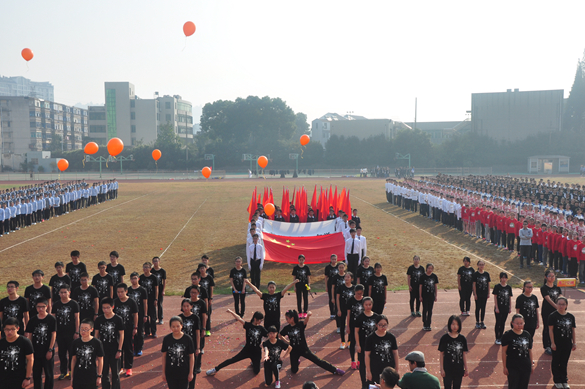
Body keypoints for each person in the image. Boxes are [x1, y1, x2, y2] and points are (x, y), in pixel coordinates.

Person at [279, 310, 345, 376]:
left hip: (304, 349)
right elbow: (280, 335)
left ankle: (335, 370)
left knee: (318, 360)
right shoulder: (287, 328)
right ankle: (296, 362)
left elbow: (305, 322)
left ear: (292, 318)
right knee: (294, 370)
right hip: (294, 351)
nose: (286, 320)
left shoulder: (300, 325)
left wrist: (308, 315)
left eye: (287, 318)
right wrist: (287, 341)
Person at [206, 310, 267, 376]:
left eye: (261, 320)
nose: (261, 322)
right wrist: (231, 312)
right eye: (260, 320)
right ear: (255, 319)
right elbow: (239, 319)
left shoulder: (261, 328)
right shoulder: (248, 325)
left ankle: (253, 362)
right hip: (247, 350)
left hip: (256, 352)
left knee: (256, 371)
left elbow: (268, 336)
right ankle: (215, 369)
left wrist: (263, 342)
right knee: (232, 360)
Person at [25, 297, 56, 389]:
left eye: (43, 306)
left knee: (49, 374)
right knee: (36, 374)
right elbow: (30, 335)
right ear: (36, 307)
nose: (40, 309)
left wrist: (50, 349)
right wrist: (30, 350)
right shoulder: (32, 320)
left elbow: (53, 335)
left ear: (47, 306)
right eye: (38, 307)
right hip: (35, 351)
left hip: (47, 350)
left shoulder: (51, 319)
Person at [94, 298, 124, 389]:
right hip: (103, 351)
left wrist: (119, 350)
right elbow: (96, 335)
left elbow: (122, 335)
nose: (105, 310)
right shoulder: (99, 319)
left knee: (115, 373)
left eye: (108, 308)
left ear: (112, 307)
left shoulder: (118, 319)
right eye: (103, 308)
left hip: (115, 349)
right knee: (104, 373)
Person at [51, 285, 79, 381]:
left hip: (71, 333)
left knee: (72, 353)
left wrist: (77, 331)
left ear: (69, 292)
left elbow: (77, 318)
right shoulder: (56, 305)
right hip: (60, 333)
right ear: (59, 293)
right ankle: (63, 372)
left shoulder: (74, 304)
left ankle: (72, 371)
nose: (63, 294)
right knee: (62, 354)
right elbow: (53, 319)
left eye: (65, 292)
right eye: (61, 292)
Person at [548, 296, 577, 388]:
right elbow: (550, 330)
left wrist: (574, 342)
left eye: (563, 304)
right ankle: (557, 380)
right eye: (559, 304)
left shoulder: (570, 316)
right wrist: (552, 343)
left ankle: (564, 380)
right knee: (556, 362)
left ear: (566, 305)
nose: (561, 306)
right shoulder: (552, 316)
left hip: (567, 343)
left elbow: (573, 330)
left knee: (564, 362)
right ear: (556, 304)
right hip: (557, 343)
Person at [161, 316, 195, 389]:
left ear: (182, 326)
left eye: (178, 326)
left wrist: (191, 373)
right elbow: (164, 356)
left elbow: (191, 356)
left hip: (184, 372)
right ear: (170, 327)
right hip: (170, 372)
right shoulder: (167, 339)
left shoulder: (188, 339)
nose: (175, 328)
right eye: (173, 326)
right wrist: (163, 372)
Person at [501, 314, 534, 389]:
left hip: (525, 365)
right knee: (513, 386)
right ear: (512, 323)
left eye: (521, 323)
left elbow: (529, 350)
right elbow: (503, 352)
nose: (519, 325)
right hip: (513, 366)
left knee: (524, 386)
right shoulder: (507, 335)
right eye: (517, 323)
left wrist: (531, 364)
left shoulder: (527, 335)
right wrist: (504, 367)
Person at [0, 317, 34, 389]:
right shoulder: (1, 343)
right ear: (4, 330)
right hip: (3, 379)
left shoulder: (25, 342)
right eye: (7, 329)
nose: (9, 332)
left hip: (19, 379)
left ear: (18, 329)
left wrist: (27, 378)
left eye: (12, 329)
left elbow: (30, 360)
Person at [365, 315, 399, 386]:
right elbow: (367, 355)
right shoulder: (370, 338)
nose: (383, 327)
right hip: (375, 368)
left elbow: (395, 353)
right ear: (376, 325)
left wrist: (397, 368)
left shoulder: (391, 337)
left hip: (389, 368)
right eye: (381, 325)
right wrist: (368, 371)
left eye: (385, 325)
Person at [113, 283, 138, 377]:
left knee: (128, 348)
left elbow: (135, 315)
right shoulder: (115, 302)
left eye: (122, 292)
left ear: (126, 291)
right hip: (117, 330)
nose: (120, 294)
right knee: (118, 348)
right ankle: (120, 367)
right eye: (118, 292)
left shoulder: (131, 302)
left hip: (128, 328)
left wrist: (135, 327)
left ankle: (128, 368)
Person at [71, 319, 104, 389]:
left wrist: (99, 376)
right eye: (81, 329)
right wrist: (72, 377)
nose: (83, 331)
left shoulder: (97, 343)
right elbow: (74, 359)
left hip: (91, 376)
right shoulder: (75, 343)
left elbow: (100, 360)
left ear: (92, 329)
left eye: (86, 329)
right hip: (78, 376)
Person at [355, 296, 380, 388]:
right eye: (366, 305)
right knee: (362, 365)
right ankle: (363, 383)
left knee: (373, 363)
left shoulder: (377, 317)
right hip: (363, 344)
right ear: (363, 305)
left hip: (373, 345)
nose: (368, 306)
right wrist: (357, 345)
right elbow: (356, 331)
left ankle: (373, 383)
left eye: (370, 304)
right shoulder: (359, 317)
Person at [438, 315, 468, 389]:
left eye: (457, 324)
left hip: (458, 369)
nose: (455, 326)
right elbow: (441, 354)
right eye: (453, 324)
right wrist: (442, 369)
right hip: (447, 369)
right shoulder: (444, 338)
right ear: (449, 325)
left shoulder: (462, 339)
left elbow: (464, 354)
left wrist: (466, 369)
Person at [178, 299, 201, 389]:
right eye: (184, 306)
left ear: (191, 306)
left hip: (192, 345)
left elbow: (198, 333)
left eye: (188, 306)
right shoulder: (179, 318)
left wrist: (198, 347)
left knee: (192, 368)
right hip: (182, 346)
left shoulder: (195, 318)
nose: (186, 308)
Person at [541, 269, 562, 355]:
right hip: (547, 311)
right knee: (547, 328)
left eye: (553, 276)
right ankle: (547, 346)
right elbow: (548, 299)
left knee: (556, 328)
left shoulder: (557, 287)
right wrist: (557, 307)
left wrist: (562, 305)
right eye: (550, 276)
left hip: (556, 311)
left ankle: (554, 344)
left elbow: (560, 297)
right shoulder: (544, 288)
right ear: (546, 277)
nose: (552, 278)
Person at [128, 272, 147, 356]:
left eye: (135, 278)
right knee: (131, 331)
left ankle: (139, 348)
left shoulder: (142, 290)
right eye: (132, 278)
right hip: (130, 314)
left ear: (138, 279)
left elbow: (145, 303)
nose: (133, 280)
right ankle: (133, 347)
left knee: (139, 331)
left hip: (140, 313)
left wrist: (145, 315)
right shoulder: (128, 290)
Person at [347, 284, 365, 369]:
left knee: (360, 343)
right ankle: (353, 360)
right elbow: (348, 314)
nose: (359, 295)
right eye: (358, 293)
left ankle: (359, 360)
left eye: (361, 293)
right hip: (353, 324)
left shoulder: (364, 300)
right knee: (353, 343)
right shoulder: (351, 300)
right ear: (355, 292)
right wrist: (348, 326)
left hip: (362, 325)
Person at [139, 262, 159, 338]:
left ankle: (153, 332)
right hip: (144, 300)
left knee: (153, 316)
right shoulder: (141, 278)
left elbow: (156, 288)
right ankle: (147, 331)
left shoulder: (154, 277)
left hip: (151, 299)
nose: (145, 269)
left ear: (150, 268)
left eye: (147, 267)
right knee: (145, 315)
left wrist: (156, 298)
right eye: (144, 267)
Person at [336, 271, 356, 348]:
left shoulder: (354, 288)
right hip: (343, 309)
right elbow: (337, 298)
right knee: (342, 325)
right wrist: (338, 310)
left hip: (352, 311)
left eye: (348, 277)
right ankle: (343, 341)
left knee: (350, 325)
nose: (346, 278)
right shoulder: (340, 287)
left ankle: (350, 341)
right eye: (345, 277)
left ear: (351, 279)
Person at [493, 272, 513, 345]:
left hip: (506, 308)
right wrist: (497, 308)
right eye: (502, 278)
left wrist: (510, 307)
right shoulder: (497, 286)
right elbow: (495, 297)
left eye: (505, 278)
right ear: (500, 278)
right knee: (498, 322)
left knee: (503, 323)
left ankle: (501, 336)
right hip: (499, 308)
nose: (504, 279)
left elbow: (509, 298)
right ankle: (497, 337)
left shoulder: (508, 287)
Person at [419, 264, 438, 331]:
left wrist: (436, 295)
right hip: (424, 296)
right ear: (426, 268)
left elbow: (435, 286)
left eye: (431, 268)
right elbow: (420, 286)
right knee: (425, 310)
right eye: (428, 268)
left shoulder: (434, 276)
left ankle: (429, 324)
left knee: (430, 310)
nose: (430, 270)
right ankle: (425, 323)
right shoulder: (422, 276)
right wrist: (420, 296)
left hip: (431, 296)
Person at [472, 260, 491, 329]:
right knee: (478, 307)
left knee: (483, 308)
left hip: (484, 293)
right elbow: (474, 285)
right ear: (477, 265)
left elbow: (488, 284)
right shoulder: (475, 274)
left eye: (482, 264)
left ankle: (482, 321)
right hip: (478, 294)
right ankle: (477, 322)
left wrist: (488, 293)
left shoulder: (486, 274)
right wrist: (475, 294)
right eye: (480, 264)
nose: (481, 266)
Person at [197, 263, 214, 337]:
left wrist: (210, 298)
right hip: (199, 299)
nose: (202, 269)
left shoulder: (209, 277)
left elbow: (211, 287)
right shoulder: (197, 277)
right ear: (198, 270)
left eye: (203, 268)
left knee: (207, 314)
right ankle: (199, 328)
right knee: (198, 314)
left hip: (207, 299)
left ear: (206, 269)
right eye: (200, 268)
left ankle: (207, 330)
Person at [151, 256, 166, 325]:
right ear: (152, 262)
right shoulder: (151, 271)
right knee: (153, 304)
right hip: (152, 290)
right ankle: (154, 318)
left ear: (159, 262)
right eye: (154, 261)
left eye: (156, 261)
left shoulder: (162, 271)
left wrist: (163, 290)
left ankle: (160, 318)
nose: (155, 262)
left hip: (159, 289)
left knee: (159, 304)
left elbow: (164, 281)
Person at [324, 255, 339, 319]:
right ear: (330, 259)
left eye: (335, 259)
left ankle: (336, 312)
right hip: (330, 284)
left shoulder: (338, 266)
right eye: (332, 259)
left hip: (337, 285)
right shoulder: (328, 267)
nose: (334, 261)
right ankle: (332, 313)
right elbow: (326, 277)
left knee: (337, 299)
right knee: (331, 299)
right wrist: (326, 286)